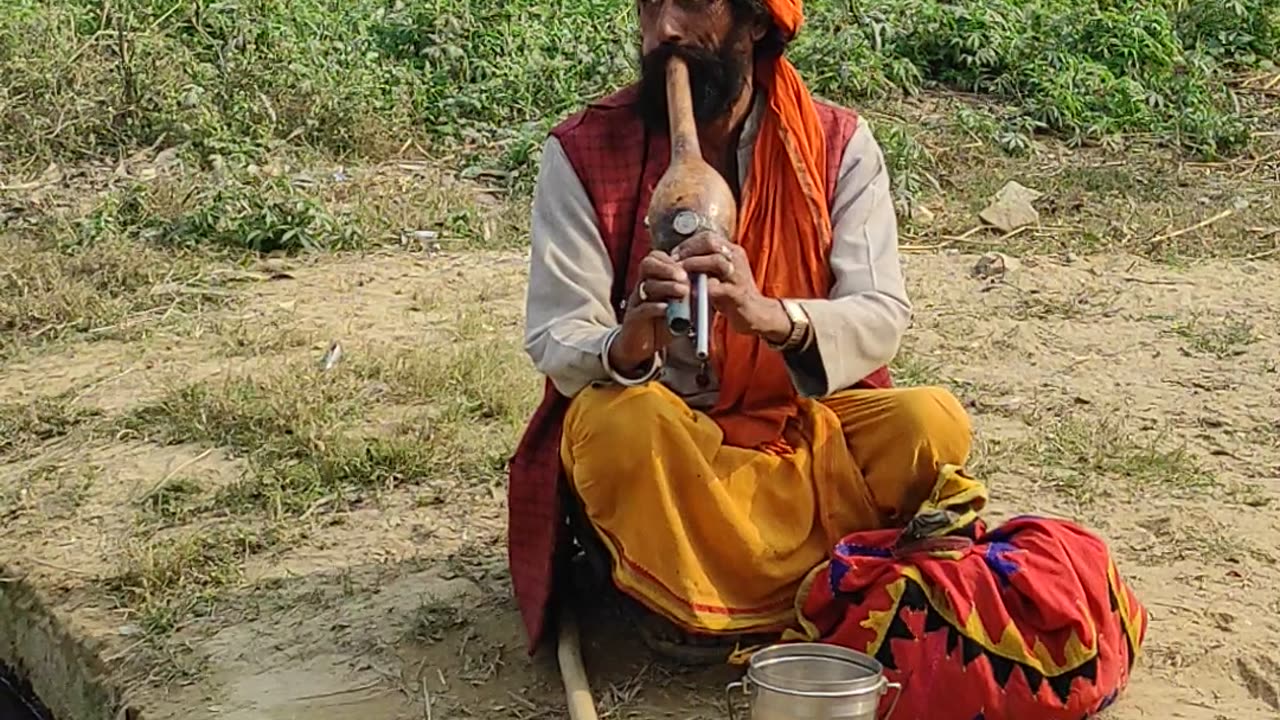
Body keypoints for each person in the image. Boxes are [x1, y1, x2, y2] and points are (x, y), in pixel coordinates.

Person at [507, 0, 973, 658]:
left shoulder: (836, 144)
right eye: (649, 6)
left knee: (932, 423)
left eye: (692, 5)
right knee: (609, 431)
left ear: (756, 22)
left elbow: (881, 313)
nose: (663, 29)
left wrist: (770, 315)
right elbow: (557, 333)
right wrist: (629, 337)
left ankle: (711, 588)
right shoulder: (581, 151)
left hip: (796, 431)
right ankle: (772, 585)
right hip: (672, 449)